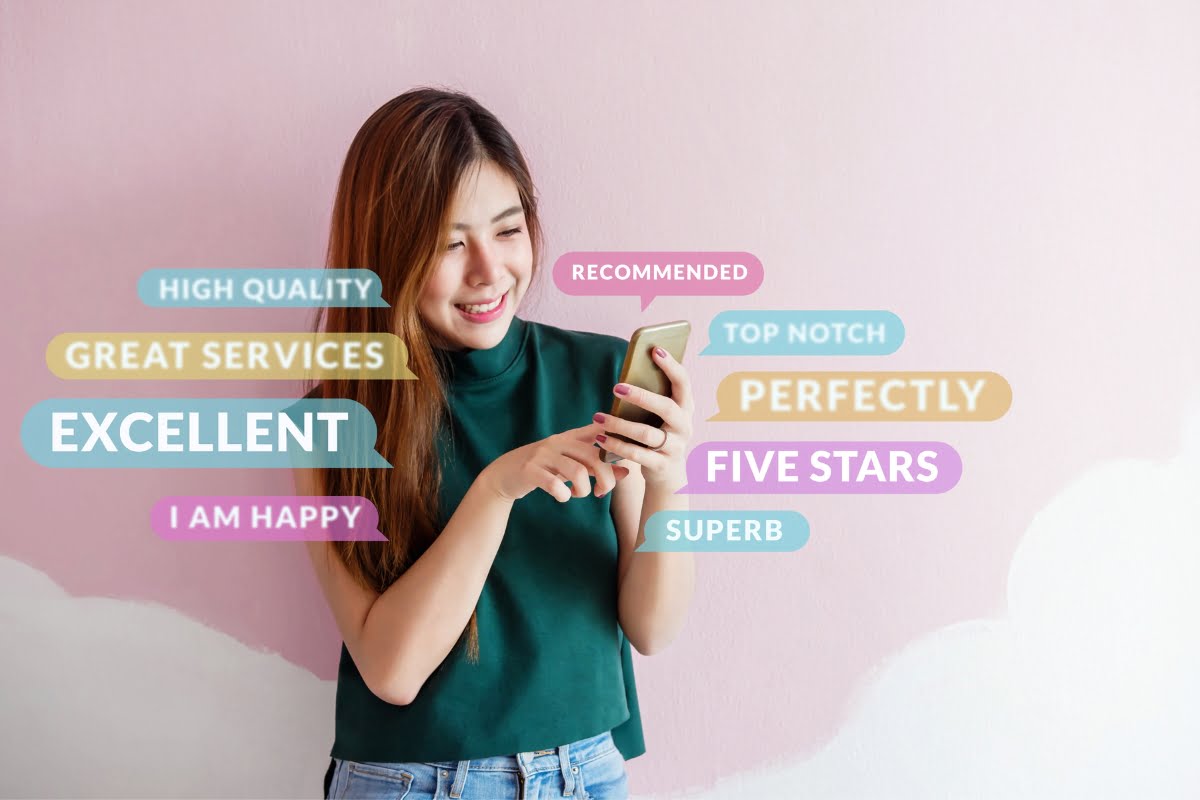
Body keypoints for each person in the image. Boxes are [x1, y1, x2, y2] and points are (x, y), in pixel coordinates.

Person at [294, 88, 696, 800]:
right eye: (449, 243)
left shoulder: (602, 377)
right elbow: (391, 669)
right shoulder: (331, 423)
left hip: (587, 772)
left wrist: (668, 482)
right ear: (388, 251)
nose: (488, 271)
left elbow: (653, 628)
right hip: (410, 782)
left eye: (507, 231)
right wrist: (497, 488)